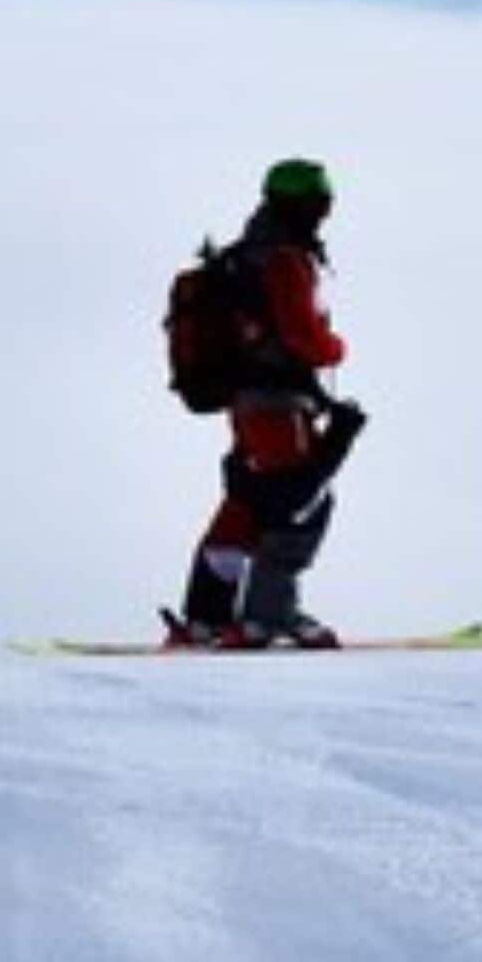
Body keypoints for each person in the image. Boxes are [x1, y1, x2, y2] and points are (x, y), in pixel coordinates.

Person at [171, 158, 367, 649]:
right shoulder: (283, 258)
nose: (325, 212)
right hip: (278, 401)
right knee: (299, 502)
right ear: (307, 205)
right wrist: (334, 347)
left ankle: (206, 617)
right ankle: (268, 616)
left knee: (249, 503)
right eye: (321, 202)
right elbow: (302, 337)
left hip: (245, 401)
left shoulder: (245, 256)